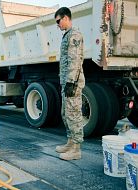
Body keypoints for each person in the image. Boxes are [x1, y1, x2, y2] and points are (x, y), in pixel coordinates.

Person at [54, 7, 85, 160]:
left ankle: (76, 150)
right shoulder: (67, 35)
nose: (58, 24)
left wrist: (71, 82)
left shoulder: (74, 35)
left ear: (66, 18)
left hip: (73, 82)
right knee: (65, 113)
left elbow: (75, 60)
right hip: (66, 82)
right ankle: (70, 143)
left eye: (58, 21)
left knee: (73, 114)